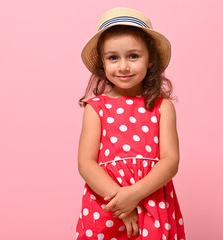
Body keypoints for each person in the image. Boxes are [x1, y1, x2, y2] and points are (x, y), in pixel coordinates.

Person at [76, 7, 186, 240]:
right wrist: (121, 204)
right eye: (113, 57)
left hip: (151, 201)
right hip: (107, 202)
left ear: (150, 60)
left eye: (133, 56)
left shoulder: (161, 107)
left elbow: (170, 160)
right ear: (103, 64)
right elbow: (86, 164)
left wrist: (134, 195)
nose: (123, 66)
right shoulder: (96, 108)